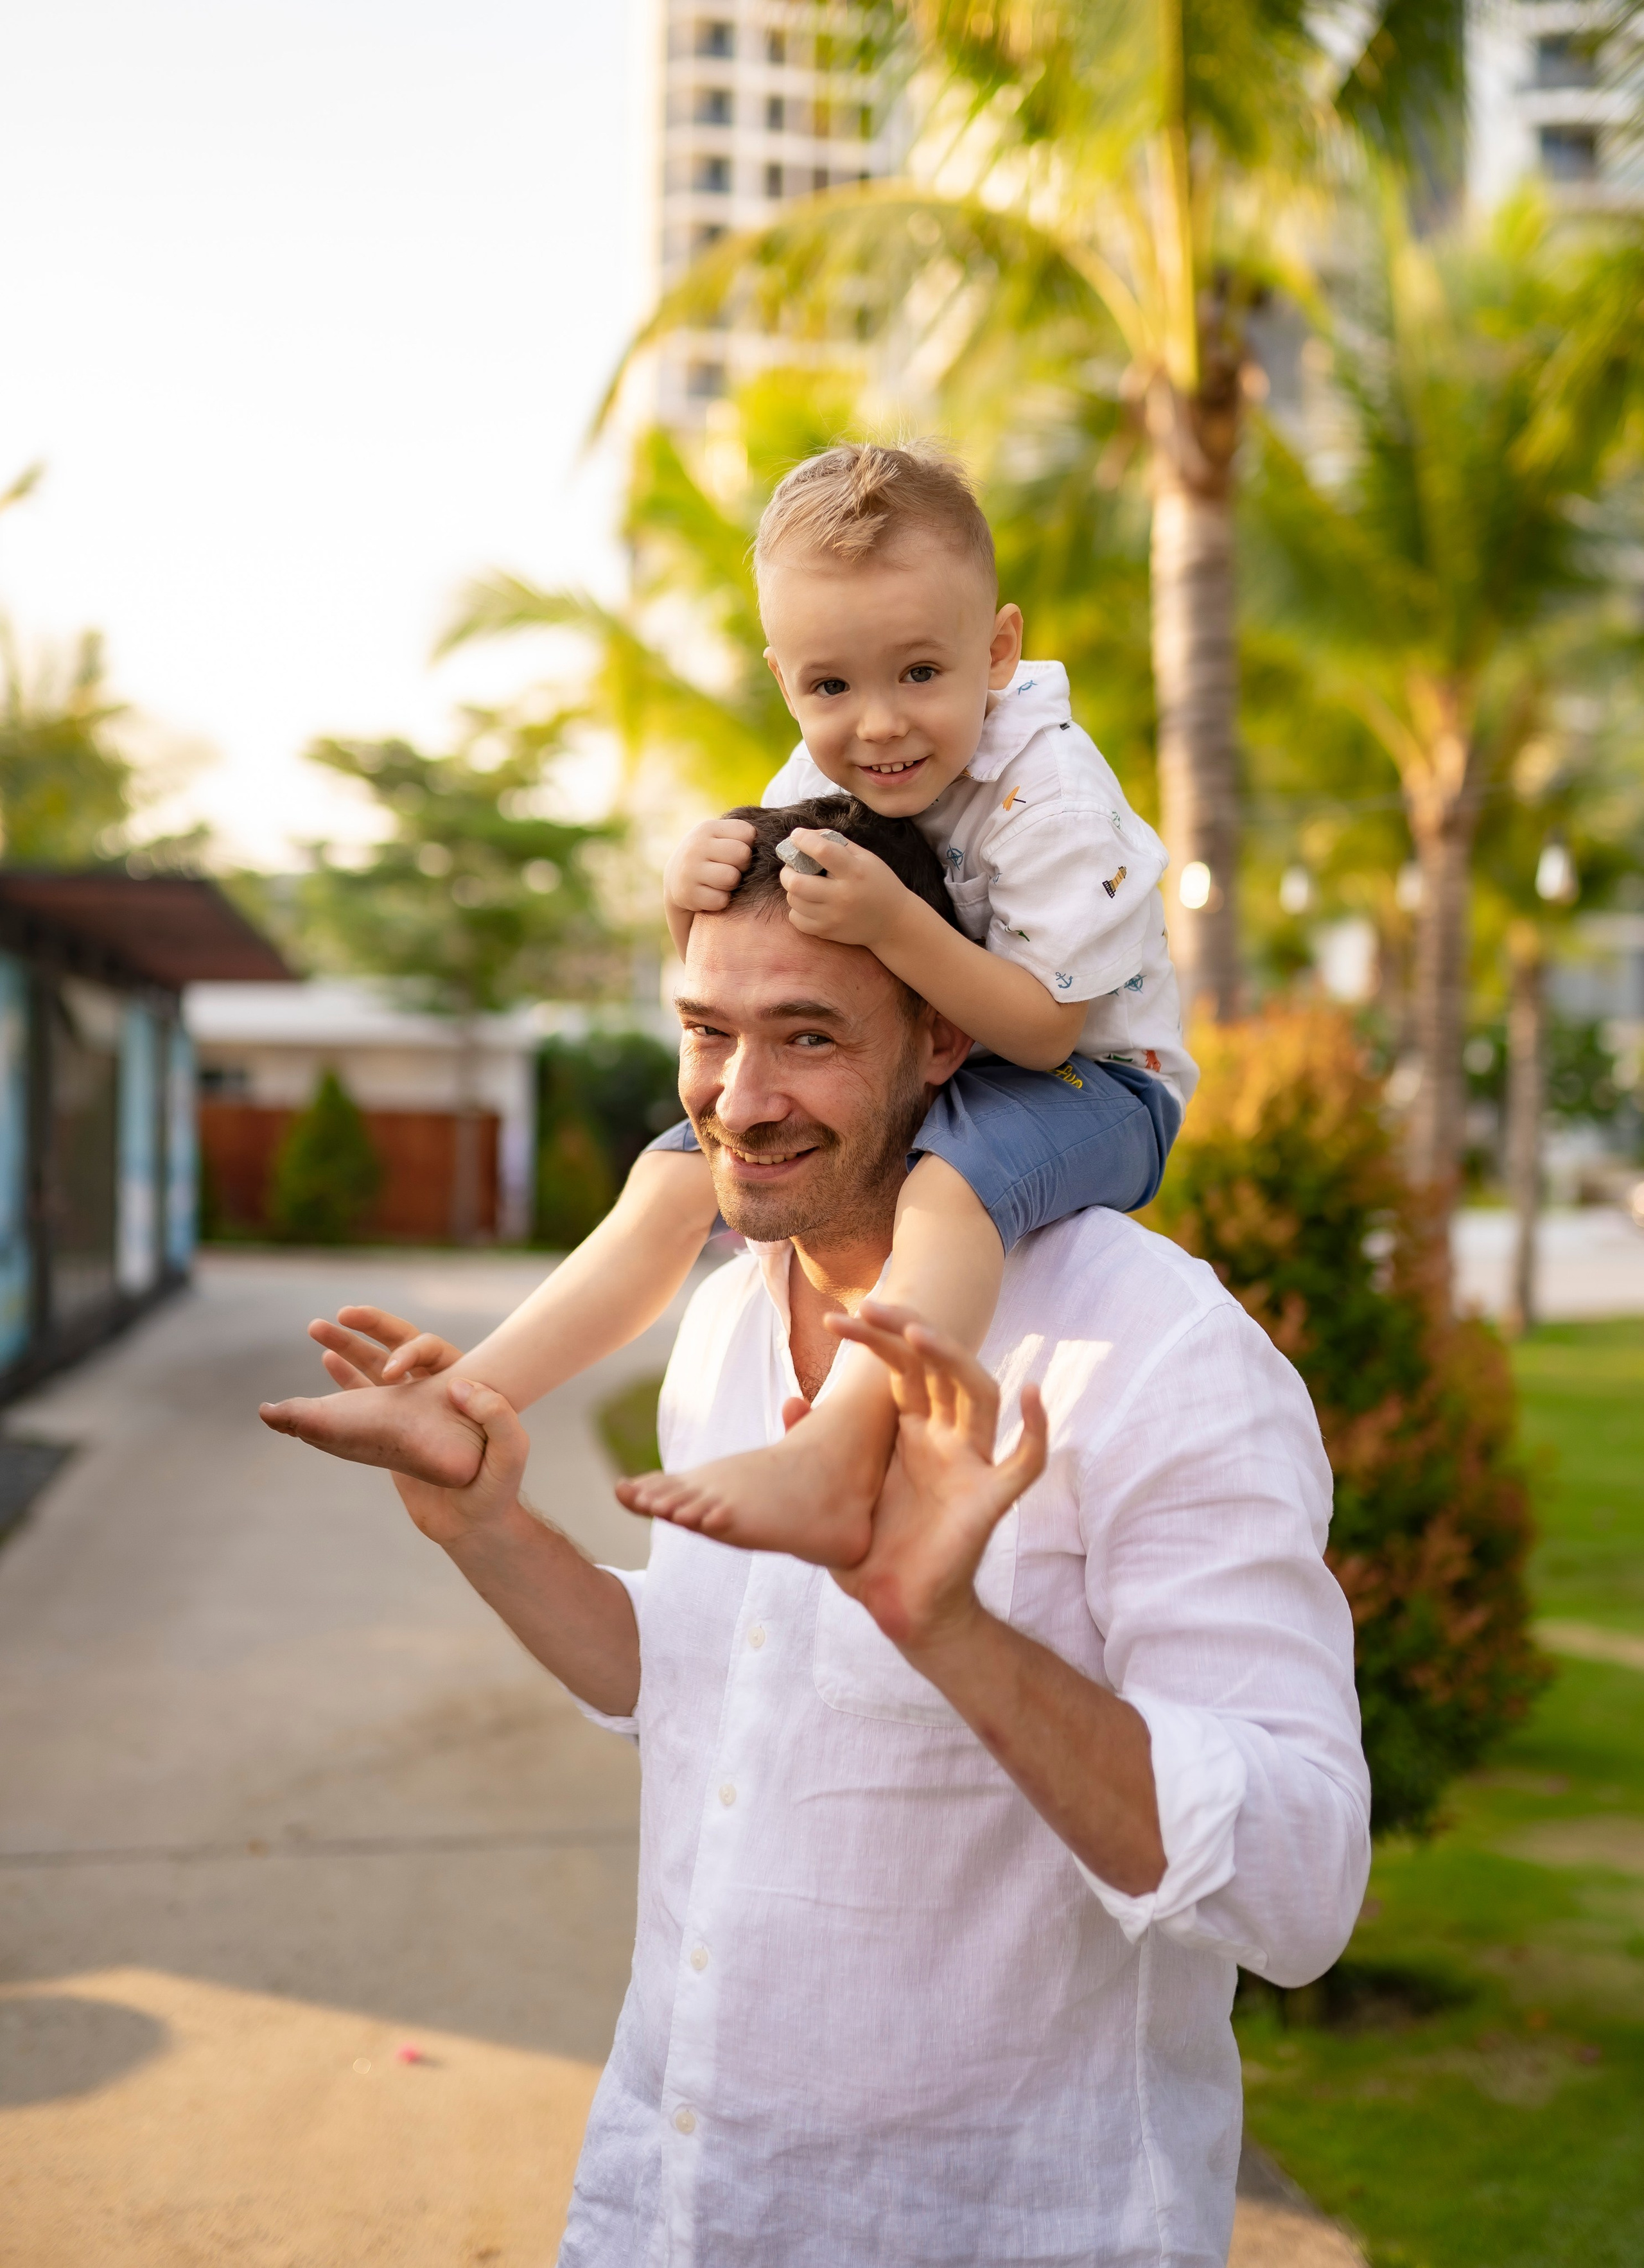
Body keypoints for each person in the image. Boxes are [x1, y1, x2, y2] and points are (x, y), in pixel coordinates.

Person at [283, 814, 1370, 2268]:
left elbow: (1299, 1888)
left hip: (999, 2227)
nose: (738, 1097)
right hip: (673, 2199)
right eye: (705, 1032)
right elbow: (690, 1688)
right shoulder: (732, 1307)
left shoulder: (1157, 1350)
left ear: (940, 1037)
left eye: (805, 1036)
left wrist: (952, 1630)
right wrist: (480, 1521)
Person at [260, 443, 1195, 1569]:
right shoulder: (813, 781)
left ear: (997, 651)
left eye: (921, 674)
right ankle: (461, 1401)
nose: (880, 726)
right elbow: (746, 980)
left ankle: (838, 1455)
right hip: (929, 1058)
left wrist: (898, 925)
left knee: (948, 1190)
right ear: (784, 677)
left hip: (1096, 1082)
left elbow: (1045, 1030)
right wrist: (681, 905)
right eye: (832, 686)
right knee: (670, 1177)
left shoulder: (1049, 791)